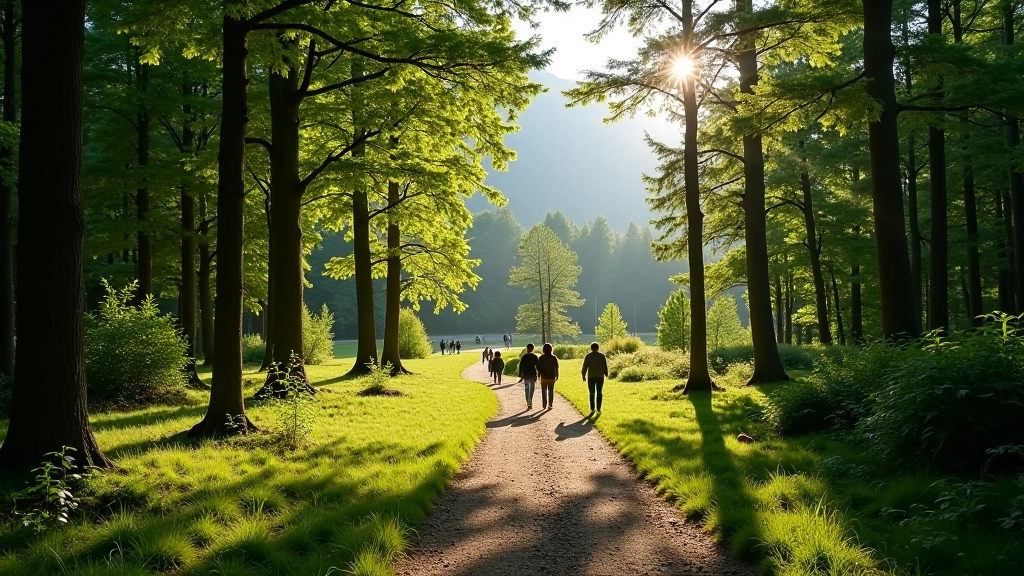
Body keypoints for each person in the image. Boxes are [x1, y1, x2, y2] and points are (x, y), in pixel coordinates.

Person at [581, 341, 609, 414]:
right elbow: (605, 366)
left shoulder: (588, 356)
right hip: (600, 376)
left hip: (591, 377)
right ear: (598, 348)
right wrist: (606, 374)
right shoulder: (602, 356)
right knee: (599, 392)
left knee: (592, 393)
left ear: (591, 348)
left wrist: (583, 375)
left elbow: (585, 367)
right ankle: (599, 408)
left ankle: (592, 408)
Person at [537, 343, 559, 410]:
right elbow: (556, 367)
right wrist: (557, 375)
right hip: (551, 376)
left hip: (544, 376)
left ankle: (544, 404)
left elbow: (539, 367)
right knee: (551, 390)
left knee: (544, 391)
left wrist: (539, 374)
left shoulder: (541, 358)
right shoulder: (554, 357)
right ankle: (550, 404)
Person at [518, 343, 539, 410]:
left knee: (527, 389)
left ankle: (528, 401)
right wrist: (539, 374)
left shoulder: (524, 357)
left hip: (526, 375)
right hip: (532, 374)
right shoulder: (535, 356)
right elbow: (538, 366)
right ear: (533, 349)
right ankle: (530, 401)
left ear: (527, 348)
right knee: (531, 389)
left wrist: (521, 375)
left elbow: (521, 366)